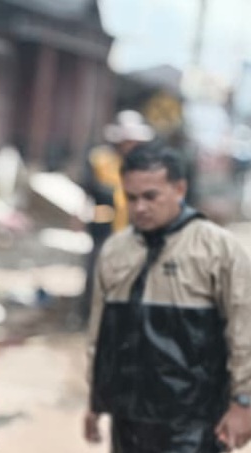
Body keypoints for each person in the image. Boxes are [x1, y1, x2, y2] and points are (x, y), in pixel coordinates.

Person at [83, 142, 251, 453]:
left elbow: (250, 328)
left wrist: (242, 401)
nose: (140, 207)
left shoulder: (217, 248)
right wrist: (95, 402)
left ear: (180, 188)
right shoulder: (116, 252)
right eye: (132, 197)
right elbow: (100, 331)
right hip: (130, 412)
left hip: (193, 414)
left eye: (152, 196)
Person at [78, 110, 156, 324]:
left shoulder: (143, 165)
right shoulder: (100, 159)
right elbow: (89, 187)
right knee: (97, 272)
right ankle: (89, 316)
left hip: (132, 229)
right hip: (103, 226)